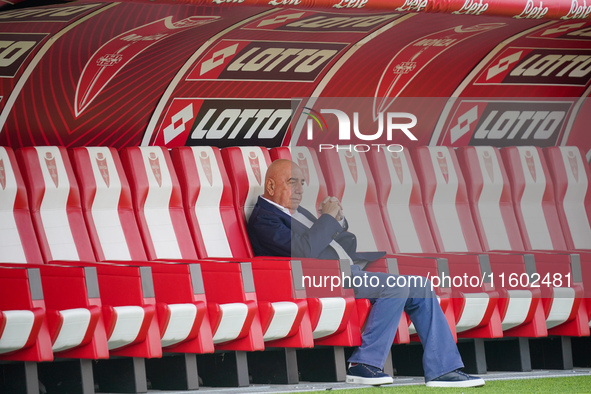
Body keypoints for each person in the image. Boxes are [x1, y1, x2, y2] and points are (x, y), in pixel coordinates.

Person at [247, 159, 485, 388]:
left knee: (421, 285)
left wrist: (337, 220)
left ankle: (443, 369)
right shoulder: (265, 219)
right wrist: (327, 220)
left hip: (348, 272)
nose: (300, 190)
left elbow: (343, 245)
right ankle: (363, 364)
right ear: (270, 186)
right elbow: (304, 250)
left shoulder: (298, 212)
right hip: (318, 280)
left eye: (302, 183)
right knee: (397, 286)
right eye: (292, 182)